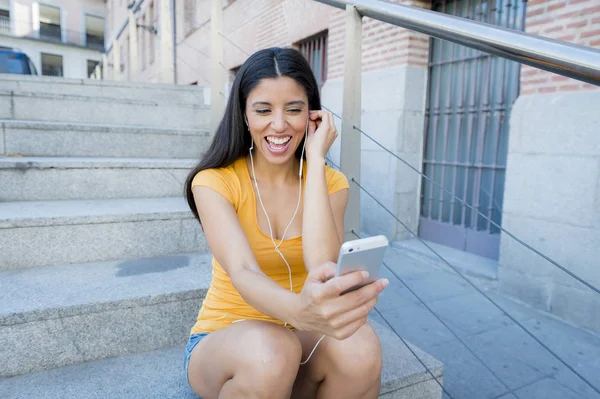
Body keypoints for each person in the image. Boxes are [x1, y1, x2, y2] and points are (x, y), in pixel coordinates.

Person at [183, 47, 389, 399]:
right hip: (230, 340)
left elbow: (322, 266)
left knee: (361, 347)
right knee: (272, 352)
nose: (279, 125)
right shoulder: (214, 182)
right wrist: (302, 311)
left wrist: (315, 160)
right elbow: (243, 270)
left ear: (312, 115)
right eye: (263, 110)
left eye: (294, 110)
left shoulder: (331, 183)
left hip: (301, 335)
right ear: (244, 115)